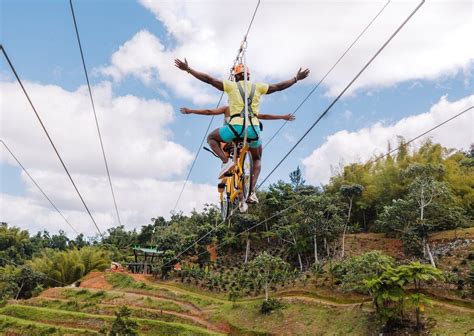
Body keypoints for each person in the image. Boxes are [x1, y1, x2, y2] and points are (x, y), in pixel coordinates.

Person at [175, 58, 309, 209]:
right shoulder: (258, 87)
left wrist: (189, 69)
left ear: (235, 77)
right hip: (253, 130)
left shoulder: (231, 86)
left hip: (235, 129)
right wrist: (296, 78)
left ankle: (226, 163)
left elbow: (209, 80)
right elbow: (278, 87)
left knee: (211, 137)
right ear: (249, 76)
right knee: (257, 159)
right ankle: (251, 191)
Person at [180, 106, 295, 195]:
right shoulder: (248, 110)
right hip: (248, 138)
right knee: (257, 158)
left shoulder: (228, 108)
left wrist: (191, 111)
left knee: (225, 155)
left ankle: (226, 172)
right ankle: (248, 189)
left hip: (231, 139)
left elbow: (209, 111)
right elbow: (264, 116)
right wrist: (282, 116)